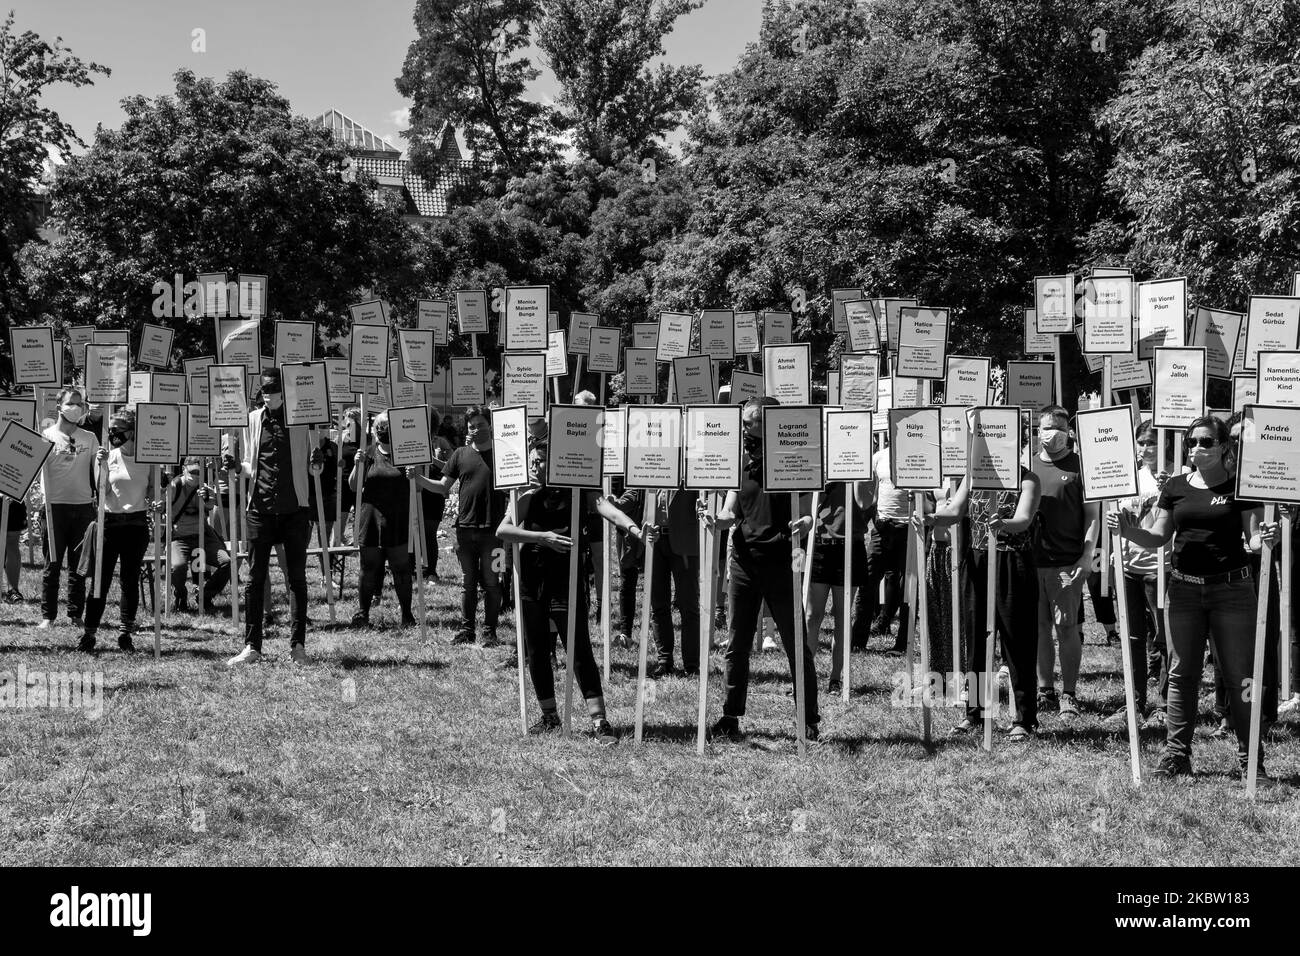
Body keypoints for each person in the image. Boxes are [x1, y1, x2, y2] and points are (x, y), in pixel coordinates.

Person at [1109, 415, 1279, 778]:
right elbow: (1157, 535)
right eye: (1191, 442)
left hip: (1231, 590)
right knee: (1181, 673)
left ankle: (1252, 760)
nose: (1196, 448)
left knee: (1240, 676)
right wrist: (1128, 532)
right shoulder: (1174, 486)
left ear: (1222, 447)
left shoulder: (1241, 486)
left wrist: (1266, 539)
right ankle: (1176, 756)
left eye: (1205, 442)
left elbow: (1251, 541)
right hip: (1183, 589)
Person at [703, 397, 819, 742]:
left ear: (769, 424)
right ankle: (730, 716)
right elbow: (729, 512)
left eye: (751, 422)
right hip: (743, 562)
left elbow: (812, 511)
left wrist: (807, 522)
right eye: (744, 422)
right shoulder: (740, 464)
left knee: (796, 644)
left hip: (783, 562)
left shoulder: (793, 459)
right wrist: (715, 520)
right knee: (737, 644)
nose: (745, 428)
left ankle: (808, 719)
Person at [496, 442, 620, 741]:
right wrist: (541, 536)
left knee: (578, 648)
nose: (535, 467)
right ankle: (549, 716)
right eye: (532, 461)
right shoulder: (526, 496)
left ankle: (599, 722)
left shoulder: (577, 493)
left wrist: (636, 529)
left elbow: (608, 510)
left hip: (566, 578)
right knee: (537, 649)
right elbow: (504, 531)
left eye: (540, 462)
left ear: (556, 463)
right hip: (533, 580)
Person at [930, 461, 1041, 739]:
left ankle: (1024, 718)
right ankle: (975, 713)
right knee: (976, 639)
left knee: (1017, 641)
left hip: (1013, 562)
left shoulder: (1028, 479)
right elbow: (955, 511)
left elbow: (1024, 519)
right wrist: (932, 518)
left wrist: (1003, 523)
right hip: (978, 561)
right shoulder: (974, 475)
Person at [222, 368, 325, 666]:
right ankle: (252, 646)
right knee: (255, 579)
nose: (269, 394)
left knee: (296, 579)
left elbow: (312, 467)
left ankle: (298, 646)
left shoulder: (303, 420)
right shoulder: (252, 420)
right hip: (260, 509)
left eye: (274, 389)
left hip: (294, 509)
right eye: (265, 390)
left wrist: (317, 463)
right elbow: (248, 462)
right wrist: (236, 468)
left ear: (284, 390)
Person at [415, 406, 505, 646]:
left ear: (490, 425)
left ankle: (490, 631)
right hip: (464, 530)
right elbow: (443, 486)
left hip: (495, 533)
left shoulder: (504, 455)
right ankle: (467, 630)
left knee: (492, 583)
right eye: (471, 426)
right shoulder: (460, 455)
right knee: (468, 583)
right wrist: (418, 478)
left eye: (480, 424)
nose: (476, 429)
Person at [1102, 419, 1171, 731]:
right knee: (1133, 638)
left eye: (1152, 442)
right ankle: (1134, 701)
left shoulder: (1176, 473)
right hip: (1129, 567)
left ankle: (1166, 704)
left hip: (1163, 567)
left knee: (1165, 637)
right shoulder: (1125, 474)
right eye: (1141, 443)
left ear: (1164, 443)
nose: (1146, 449)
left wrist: (1169, 488)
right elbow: (1117, 516)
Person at [1032, 405, 1099, 721]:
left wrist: (1087, 556)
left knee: (1067, 628)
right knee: (1040, 628)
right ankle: (1045, 690)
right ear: (1038, 430)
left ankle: (1068, 694)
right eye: (1046, 427)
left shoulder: (1080, 467)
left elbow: (1092, 517)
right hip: (1031, 562)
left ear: (1069, 431)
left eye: (1058, 427)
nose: (1051, 433)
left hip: (1067, 564)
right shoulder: (1027, 466)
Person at [78, 409, 159, 653]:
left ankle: (126, 632)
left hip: (136, 525)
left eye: (118, 430)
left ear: (132, 432)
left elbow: (154, 493)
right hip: (110, 524)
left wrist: (157, 502)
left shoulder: (149, 459)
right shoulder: (107, 457)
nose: (113, 434)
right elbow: (102, 492)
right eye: (110, 430)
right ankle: (89, 633)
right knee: (99, 581)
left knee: (129, 580)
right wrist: (100, 465)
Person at [612, 485, 700, 678]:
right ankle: (664, 661)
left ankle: (692, 665)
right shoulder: (652, 459)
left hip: (684, 540)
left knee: (688, 605)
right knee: (658, 605)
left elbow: (705, 493)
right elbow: (635, 491)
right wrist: (616, 503)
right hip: (653, 539)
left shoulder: (691, 459)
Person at [804, 480, 873, 696]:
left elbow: (864, 502)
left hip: (850, 547)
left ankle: (835, 679)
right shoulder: (820, 461)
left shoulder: (862, 466)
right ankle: (806, 677)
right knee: (811, 616)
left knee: (842, 618)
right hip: (820, 546)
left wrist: (855, 473)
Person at [348, 410, 417, 628]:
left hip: (398, 519)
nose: (383, 430)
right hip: (371, 520)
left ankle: (407, 614)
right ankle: (363, 613)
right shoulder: (367, 454)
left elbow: (418, 487)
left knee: (402, 569)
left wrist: (414, 474)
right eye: (380, 426)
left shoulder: (406, 454)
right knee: (368, 568)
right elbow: (353, 485)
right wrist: (356, 465)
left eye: (387, 426)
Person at [39, 388, 100, 629]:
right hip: (53, 508)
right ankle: (48, 616)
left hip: (83, 508)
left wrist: (103, 460)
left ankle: (76, 614)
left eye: (80, 403)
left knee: (79, 567)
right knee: (51, 565)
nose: (76, 407)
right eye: (71, 403)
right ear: (59, 407)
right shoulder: (46, 436)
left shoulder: (90, 438)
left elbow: (99, 472)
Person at [859, 442, 911, 655]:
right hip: (882, 528)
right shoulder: (879, 457)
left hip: (909, 528)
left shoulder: (921, 455)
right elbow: (869, 494)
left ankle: (901, 643)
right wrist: (874, 518)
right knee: (867, 580)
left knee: (907, 587)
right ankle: (857, 639)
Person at [167, 457, 231, 613]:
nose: (196, 475)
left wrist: (207, 498)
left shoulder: (204, 488)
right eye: (192, 471)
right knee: (177, 567)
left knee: (228, 562)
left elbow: (210, 506)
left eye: (199, 472)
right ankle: (181, 595)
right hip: (179, 537)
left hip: (202, 535)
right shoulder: (175, 486)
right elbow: (163, 504)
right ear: (183, 469)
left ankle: (204, 596)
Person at [418, 410, 456, 579]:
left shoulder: (441, 442)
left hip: (433, 491)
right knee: (414, 531)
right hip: (415, 489)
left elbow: (451, 467)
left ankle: (431, 571)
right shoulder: (410, 439)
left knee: (428, 532)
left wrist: (431, 458)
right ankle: (414, 567)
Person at [2, 496, 27, 602]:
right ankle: (13, 591)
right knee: (12, 544)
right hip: (13, 495)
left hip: (13, 496)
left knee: (12, 544)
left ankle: (13, 591)